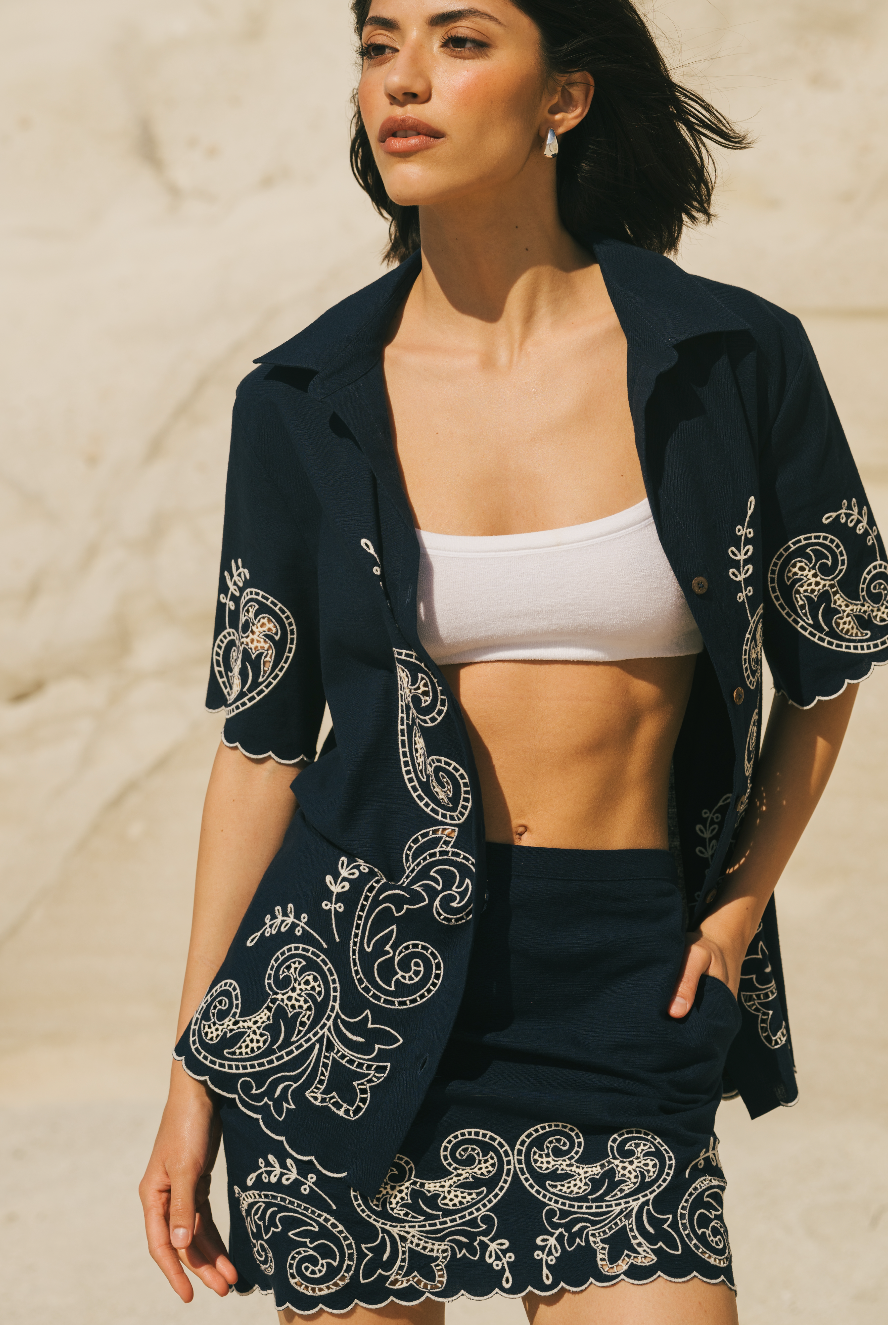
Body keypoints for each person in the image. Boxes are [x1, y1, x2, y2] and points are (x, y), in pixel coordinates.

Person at [139, 2, 887, 1321]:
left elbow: (828, 661)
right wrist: (198, 1070)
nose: (405, 79)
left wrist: (736, 903)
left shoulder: (729, 360)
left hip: (618, 976)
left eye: (462, 39)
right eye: (378, 46)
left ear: (569, 99)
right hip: (344, 991)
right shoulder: (302, 399)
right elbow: (262, 750)